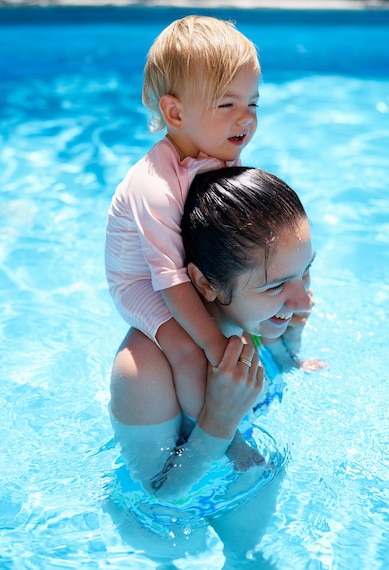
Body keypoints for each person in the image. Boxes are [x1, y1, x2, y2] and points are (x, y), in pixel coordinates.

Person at [108, 166, 316, 570]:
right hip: (166, 523)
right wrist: (218, 422)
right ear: (204, 283)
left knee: (253, 568)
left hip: (238, 482)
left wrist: (292, 350)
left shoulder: (254, 316)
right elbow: (160, 494)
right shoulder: (144, 369)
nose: (303, 300)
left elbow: (278, 360)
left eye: (305, 272)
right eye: (277, 285)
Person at [105, 15, 263, 467]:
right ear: (175, 114)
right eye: (227, 104)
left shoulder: (217, 152)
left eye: (253, 102)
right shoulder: (154, 184)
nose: (246, 118)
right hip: (142, 282)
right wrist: (215, 348)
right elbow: (170, 281)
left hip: (177, 270)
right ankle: (218, 439)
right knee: (189, 352)